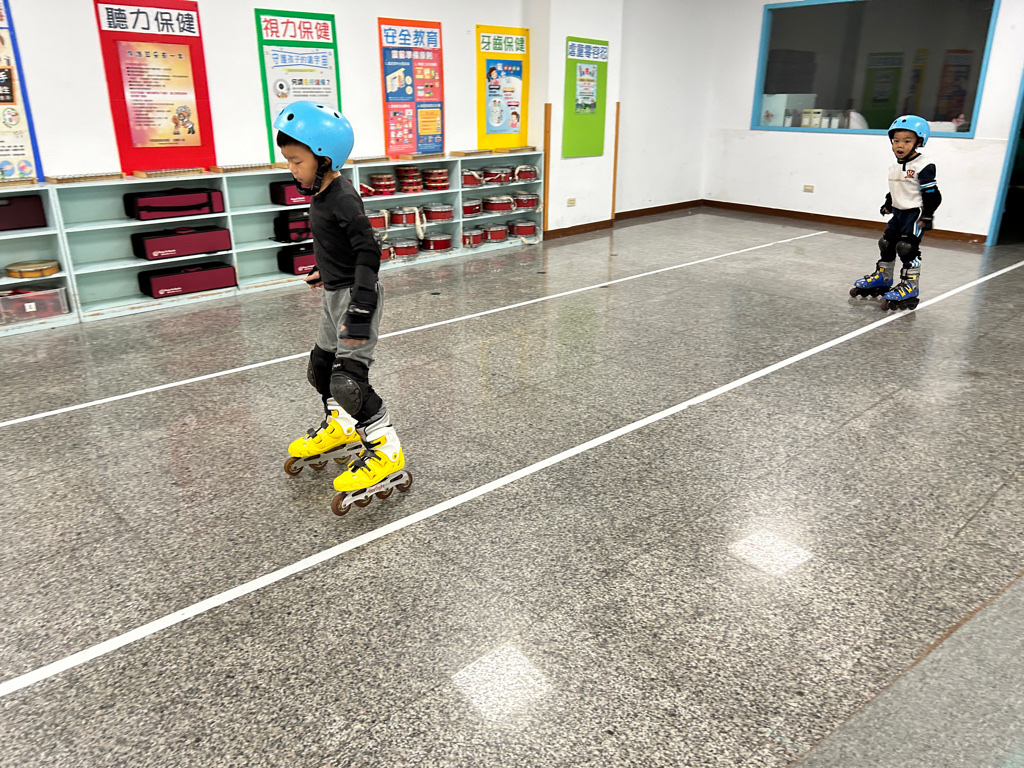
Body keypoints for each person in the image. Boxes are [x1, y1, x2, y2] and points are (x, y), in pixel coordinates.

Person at [274, 101, 407, 506]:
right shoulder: (321, 193)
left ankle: (386, 450)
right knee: (321, 368)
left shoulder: (343, 197)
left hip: (357, 298)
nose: (292, 170)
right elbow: (338, 244)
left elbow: (367, 249)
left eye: (297, 161)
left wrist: (362, 300)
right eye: (289, 161)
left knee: (348, 380)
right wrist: (323, 269)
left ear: (324, 158)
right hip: (336, 293)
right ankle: (342, 427)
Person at [850, 114, 942, 311]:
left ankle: (910, 286)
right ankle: (883, 277)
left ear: (919, 142)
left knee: (906, 247)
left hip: (915, 213)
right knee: (886, 243)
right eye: (896, 140)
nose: (900, 145)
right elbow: (895, 188)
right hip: (899, 212)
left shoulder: (924, 165)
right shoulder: (894, 164)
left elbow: (933, 194)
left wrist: (928, 215)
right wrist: (888, 204)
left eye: (907, 141)